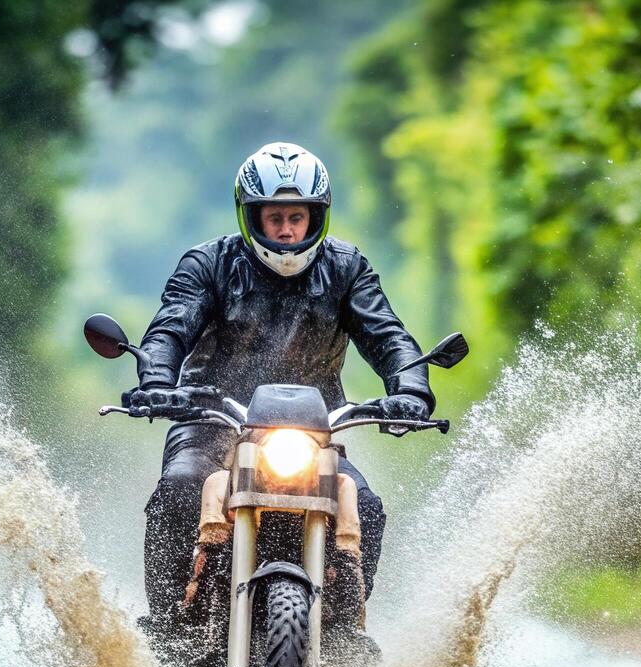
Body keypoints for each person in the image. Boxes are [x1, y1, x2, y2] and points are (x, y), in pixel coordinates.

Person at [125, 141, 434, 634]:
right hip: (211, 423)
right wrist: (158, 381)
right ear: (252, 217)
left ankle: (341, 629)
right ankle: (167, 628)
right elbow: (169, 329)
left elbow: (388, 336)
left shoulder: (346, 268)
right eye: (275, 217)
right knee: (180, 491)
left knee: (367, 508)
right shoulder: (208, 265)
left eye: (298, 216)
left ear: (317, 217)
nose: (288, 230)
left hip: (313, 433)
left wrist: (411, 388)